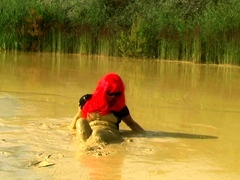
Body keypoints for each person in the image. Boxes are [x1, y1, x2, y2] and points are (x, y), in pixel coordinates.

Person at [69, 72, 145, 143]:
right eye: (110, 93)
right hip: (90, 131)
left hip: (110, 133)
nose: (113, 96)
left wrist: (147, 135)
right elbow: (77, 117)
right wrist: (68, 133)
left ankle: (91, 147)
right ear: (102, 89)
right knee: (80, 122)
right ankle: (84, 147)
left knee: (97, 134)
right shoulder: (86, 100)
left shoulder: (120, 107)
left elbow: (132, 124)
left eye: (117, 94)